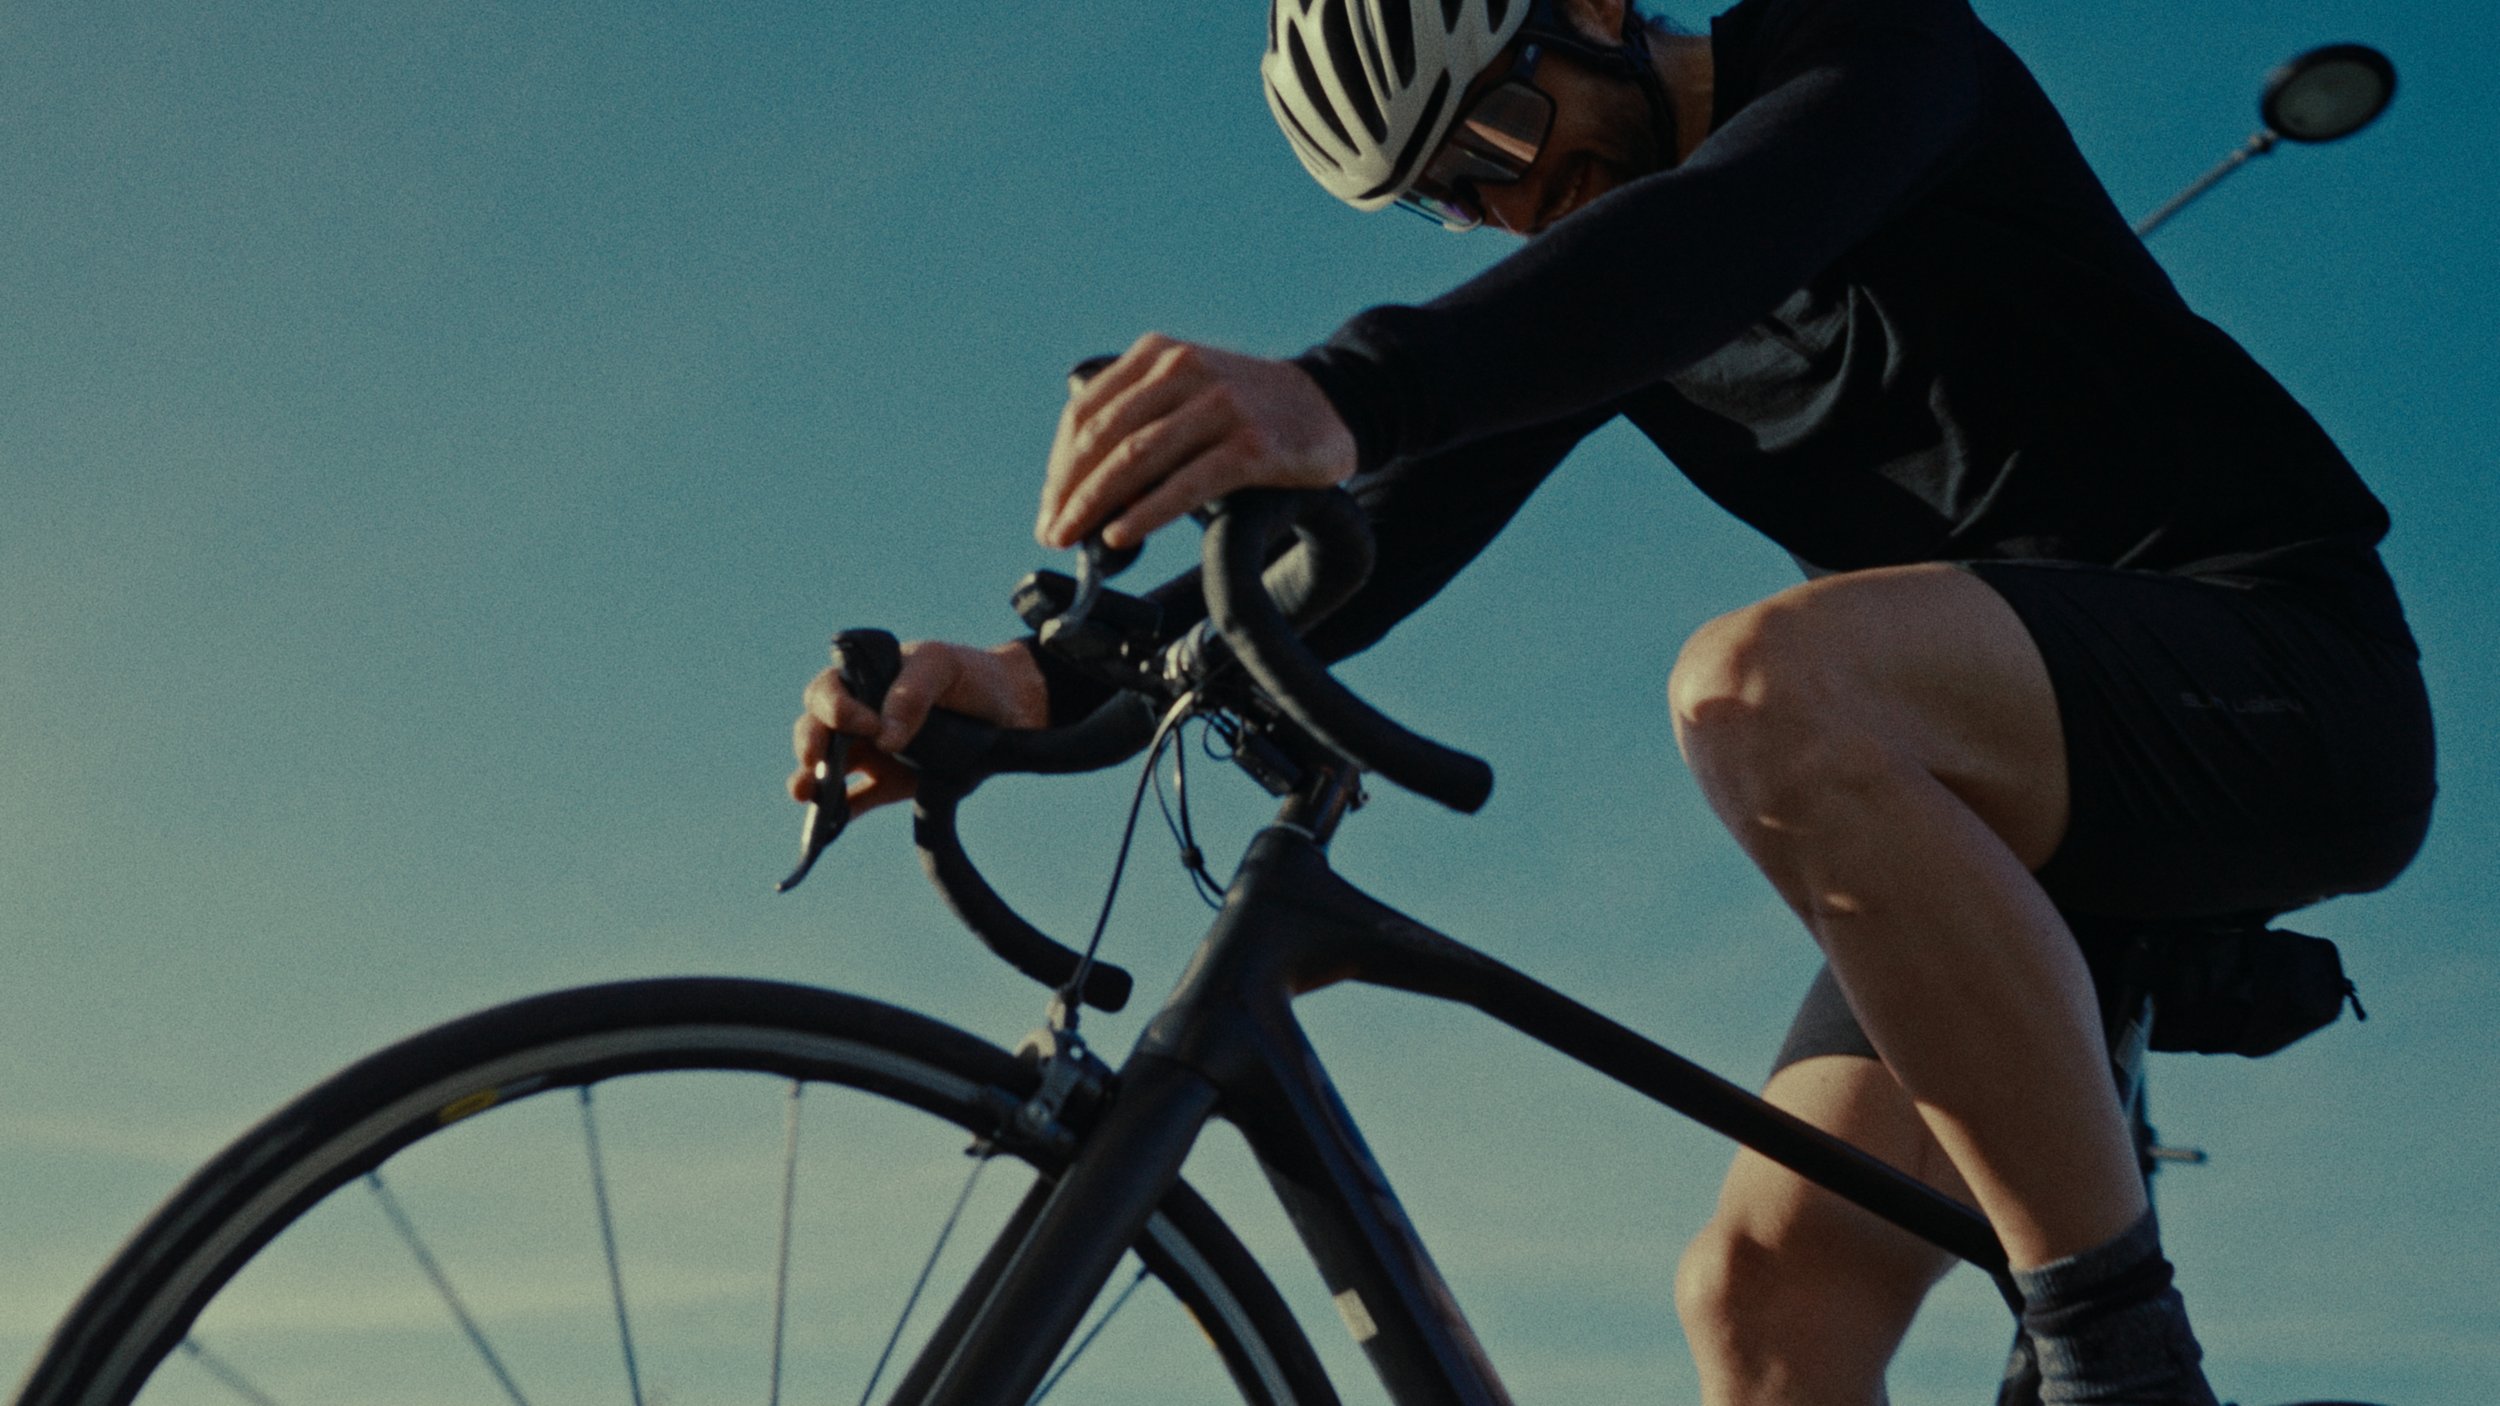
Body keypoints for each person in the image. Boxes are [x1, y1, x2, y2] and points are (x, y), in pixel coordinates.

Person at [790, 0, 2437, 1400]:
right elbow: (1382, 529)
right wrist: (1033, 686)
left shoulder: (1873, 57)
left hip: (2287, 683)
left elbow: (1695, 246)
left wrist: (1342, 387)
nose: (1511, 203)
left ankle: (2127, 1367)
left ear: (1587, 3)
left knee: (1764, 690)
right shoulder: (1613, 290)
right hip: (2034, 833)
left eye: (1499, 129)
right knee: (1763, 1306)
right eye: (1448, 197)